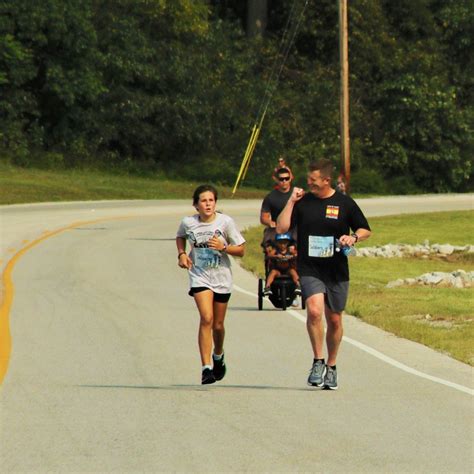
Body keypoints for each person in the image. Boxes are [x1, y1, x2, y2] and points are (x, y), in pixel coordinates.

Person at [277, 159, 371, 390]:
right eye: (308, 180)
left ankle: (332, 365)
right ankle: (318, 361)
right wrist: (291, 201)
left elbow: (365, 228)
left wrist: (354, 237)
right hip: (310, 268)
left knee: (335, 319)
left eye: (313, 180)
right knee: (315, 311)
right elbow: (281, 228)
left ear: (326, 180)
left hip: (336, 269)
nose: (309, 184)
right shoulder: (302, 202)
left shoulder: (344, 203)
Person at [176, 184, 246, 385]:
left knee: (218, 324)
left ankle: (218, 354)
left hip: (221, 278)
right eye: (203, 201)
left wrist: (224, 247)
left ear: (215, 203)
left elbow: (241, 250)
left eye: (211, 200)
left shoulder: (225, 222)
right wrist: (182, 254)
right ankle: (206, 367)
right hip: (199, 276)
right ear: (196, 204)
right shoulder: (188, 223)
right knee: (206, 317)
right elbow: (180, 236)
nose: (207, 204)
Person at [260, 167, 295, 246]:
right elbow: (263, 218)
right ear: (276, 180)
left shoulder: (297, 194)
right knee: (267, 241)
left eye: (286, 178)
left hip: (294, 229)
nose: (284, 181)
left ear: (290, 178)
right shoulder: (270, 197)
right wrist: (269, 222)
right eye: (281, 179)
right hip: (277, 228)